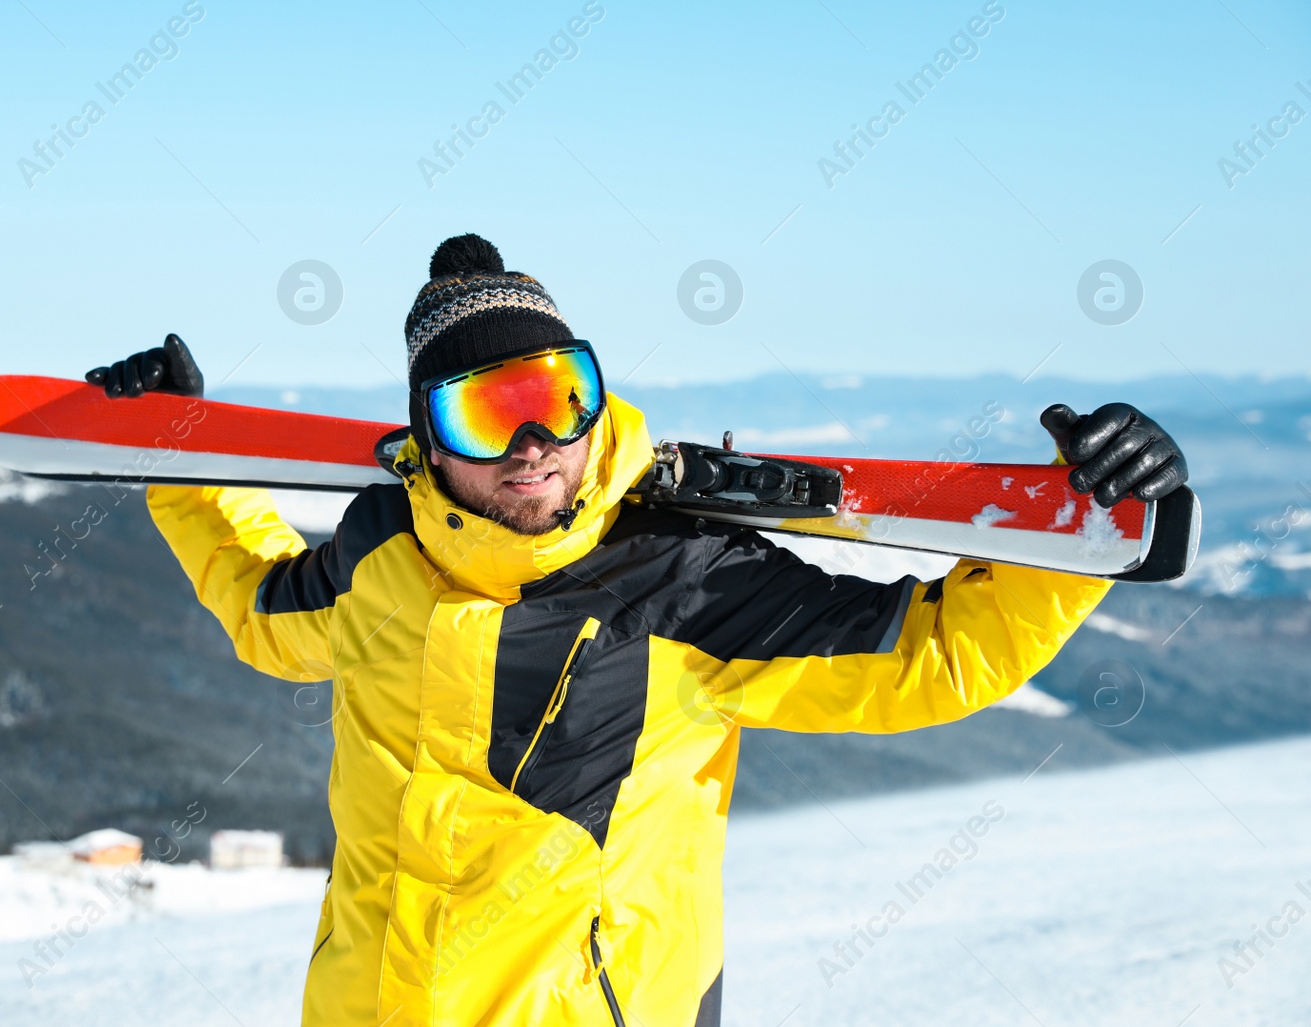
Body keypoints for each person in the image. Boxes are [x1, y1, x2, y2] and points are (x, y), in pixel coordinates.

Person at [88, 234, 1188, 1027]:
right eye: (484, 410)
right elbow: (262, 610)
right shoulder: (381, 547)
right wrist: (176, 465)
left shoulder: (682, 575)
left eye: (555, 396)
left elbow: (927, 657)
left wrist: (1072, 524)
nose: (532, 444)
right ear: (424, 436)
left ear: (591, 398)